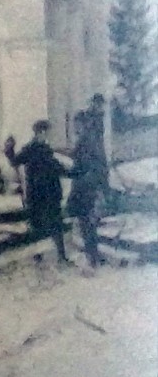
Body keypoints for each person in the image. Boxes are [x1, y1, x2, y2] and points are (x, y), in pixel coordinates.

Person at [4, 119, 69, 262]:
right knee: (40, 225)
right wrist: (9, 149)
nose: (49, 136)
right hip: (40, 194)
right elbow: (15, 161)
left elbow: (58, 168)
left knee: (53, 225)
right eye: (48, 132)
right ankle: (40, 256)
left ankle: (59, 256)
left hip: (47, 193)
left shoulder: (44, 149)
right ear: (41, 132)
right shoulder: (32, 149)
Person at [66, 111, 106, 268]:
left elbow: (89, 164)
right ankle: (93, 254)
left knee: (86, 221)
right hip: (85, 185)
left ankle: (92, 256)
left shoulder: (87, 140)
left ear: (83, 124)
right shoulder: (89, 139)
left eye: (77, 124)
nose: (75, 127)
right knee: (86, 222)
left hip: (85, 187)